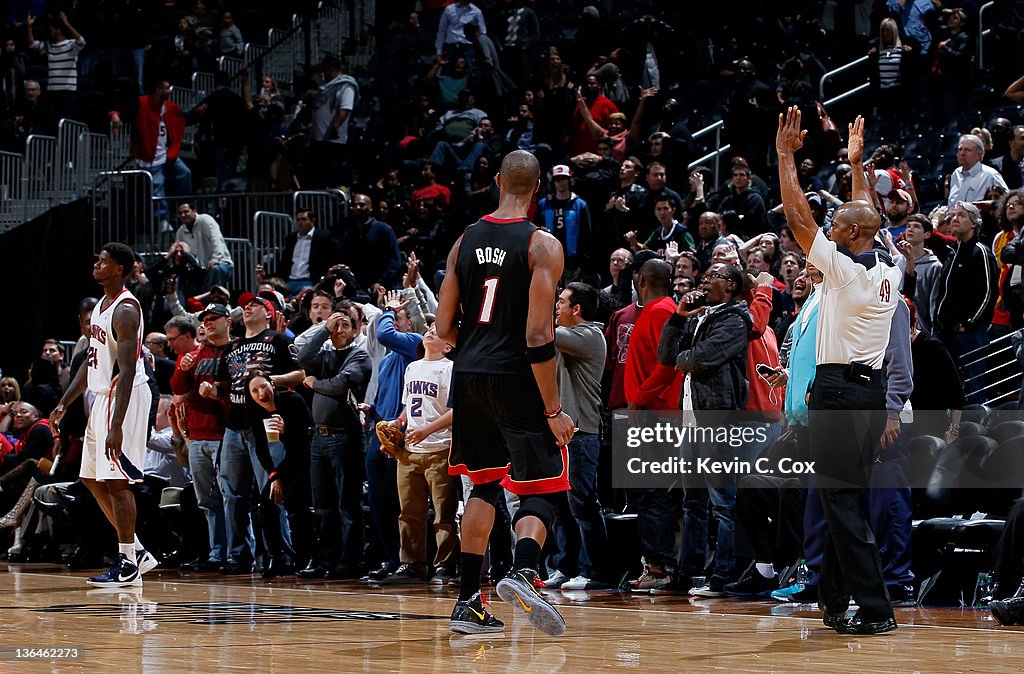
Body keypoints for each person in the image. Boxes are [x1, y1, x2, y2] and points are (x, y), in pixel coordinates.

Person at [436, 150, 574, 636]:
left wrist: (475, 349)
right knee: (544, 487)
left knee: (485, 485)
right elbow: (539, 335)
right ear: (538, 188)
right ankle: (522, 571)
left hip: (469, 375)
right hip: (516, 376)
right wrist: (553, 409)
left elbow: (442, 327)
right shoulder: (542, 245)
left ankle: (468, 602)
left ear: (497, 181)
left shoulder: (463, 241)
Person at [777, 109, 901, 635]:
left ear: (847, 233)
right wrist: (855, 166)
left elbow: (799, 219)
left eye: (837, 226)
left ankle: (875, 610)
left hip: (838, 391)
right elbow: (864, 217)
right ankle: (833, 600)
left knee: (842, 504)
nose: (828, 228)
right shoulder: (890, 265)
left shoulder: (844, 270)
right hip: (868, 396)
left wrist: (786, 157)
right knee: (838, 499)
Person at [49, 243, 158, 587]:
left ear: (119, 269)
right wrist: (65, 401)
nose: (96, 265)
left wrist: (116, 426)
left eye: (103, 262)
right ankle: (136, 551)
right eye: (97, 259)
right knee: (91, 478)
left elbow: (126, 372)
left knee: (116, 481)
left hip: (122, 397)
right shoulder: (100, 305)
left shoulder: (126, 309)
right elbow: (91, 362)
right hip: (100, 396)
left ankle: (127, 561)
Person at [380, 324, 460, 584]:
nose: (430, 332)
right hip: (410, 450)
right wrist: (398, 422)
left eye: (437, 331)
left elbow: (455, 411)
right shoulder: (413, 367)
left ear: (448, 346)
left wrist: (427, 430)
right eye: (429, 328)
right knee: (409, 512)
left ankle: (446, 566)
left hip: (440, 447)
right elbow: (408, 406)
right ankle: (412, 564)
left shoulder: (449, 368)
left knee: (443, 514)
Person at [296, 305, 371, 579]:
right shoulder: (324, 353)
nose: (339, 330)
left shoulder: (359, 355)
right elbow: (303, 356)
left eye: (344, 325)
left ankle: (349, 561)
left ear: (355, 330)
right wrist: (323, 329)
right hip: (319, 437)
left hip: (345, 436)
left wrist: (313, 384)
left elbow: (339, 385)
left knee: (347, 504)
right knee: (323, 504)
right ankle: (325, 559)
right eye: (335, 326)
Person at [550, 282, 611, 590]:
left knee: (583, 503)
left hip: (582, 432)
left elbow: (544, 332)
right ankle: (566, 566)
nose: (555, 306)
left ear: (577, 309)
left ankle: (595, 570)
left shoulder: (589, 336)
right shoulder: (569, 337)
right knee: (561, 504)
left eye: (560, 302)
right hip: (560, 433)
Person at [170, 303, 231, 571]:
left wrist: (218, 391)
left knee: (231, 496)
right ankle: (216, 553)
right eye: (204, 320)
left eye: (213, 319)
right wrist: (183, 368)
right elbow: (178, 390)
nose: (207, 324)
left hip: (224, 433)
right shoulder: (194, 356)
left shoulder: (234, 351)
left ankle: (238, 552)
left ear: (227, 322)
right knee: (206, 500)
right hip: (197, 435)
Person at [174, 203, 234, 291]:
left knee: (215, 269)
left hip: (221, 263)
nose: (183, 215)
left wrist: (215, 259)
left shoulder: (206, 220)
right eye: (180, 213)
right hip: (199, 268)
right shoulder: (180, 232)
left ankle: (206, 303)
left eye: (186, 212)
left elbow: (217, 240)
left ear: (194, 211)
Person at [947, 134, 1009, 209]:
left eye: (967, 150)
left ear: (979, 156)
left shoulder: (990, 175)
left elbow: (1007, 200)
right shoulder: (956, 174)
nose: (962, 153)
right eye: (960, 149)